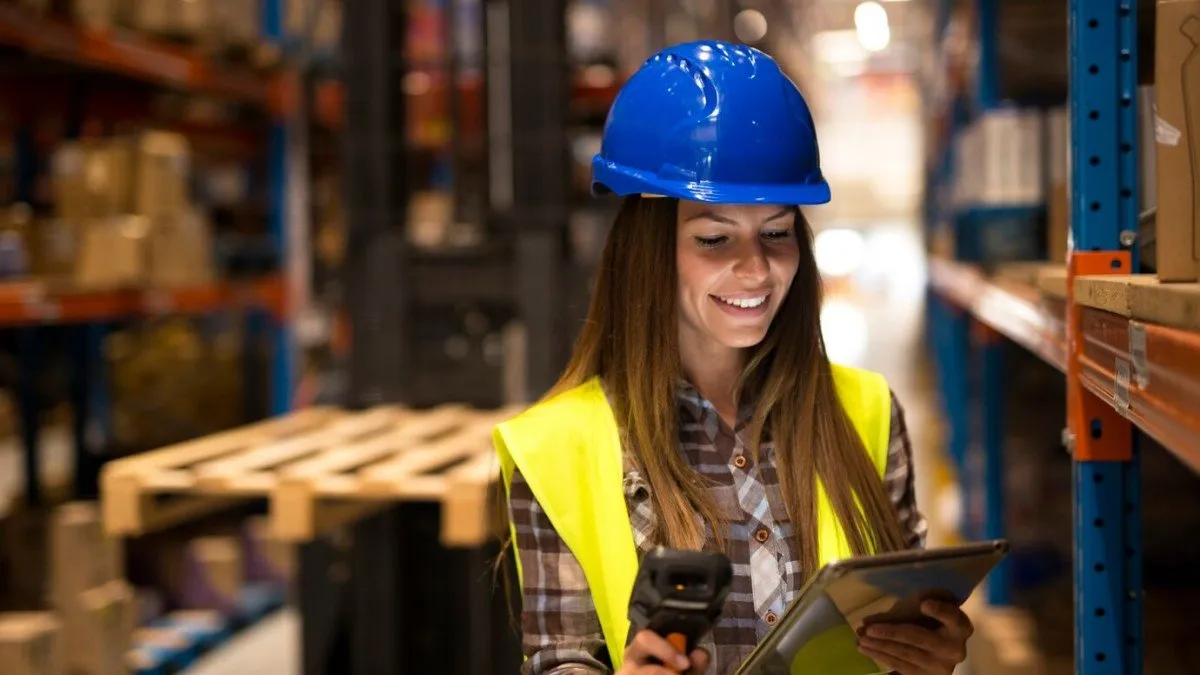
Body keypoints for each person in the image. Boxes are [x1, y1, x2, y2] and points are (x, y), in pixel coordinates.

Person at [493, 40, 973, 675]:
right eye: (715, 239)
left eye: (776, 233)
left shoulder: (867, 412)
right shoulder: (557, 448)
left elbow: (896, 632)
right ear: (648, 252)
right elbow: (561, 659)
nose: (756, 270)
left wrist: (930, 655)